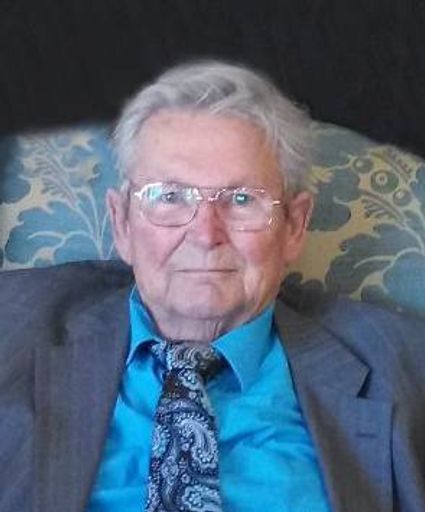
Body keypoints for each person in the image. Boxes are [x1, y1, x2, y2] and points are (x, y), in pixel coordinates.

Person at [1, 60, 424, 512]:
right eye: (169, 196)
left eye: (242, 199)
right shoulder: (13, 326)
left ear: (294, 226)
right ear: (121, 222)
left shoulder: (403, 362)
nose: (205, 234)